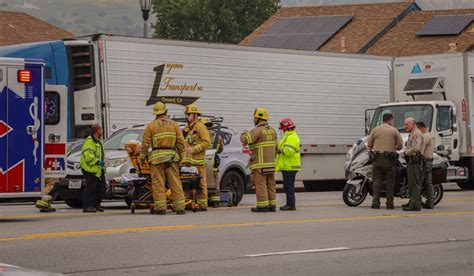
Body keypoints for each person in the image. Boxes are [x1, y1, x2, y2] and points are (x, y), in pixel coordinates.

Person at [140, 102, 187, 215]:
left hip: (156, 159)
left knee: (158, 183)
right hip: (172, 157)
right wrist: (183, 157)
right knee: (175, 182)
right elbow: (181, 143)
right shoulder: (174, 125)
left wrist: (142, 157)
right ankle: (180, 207)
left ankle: (161, 208)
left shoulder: (150, 127)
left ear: (155, 113)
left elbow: (145, 145)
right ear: (166, 112)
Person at [240, 108, 278, 213]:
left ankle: (262, 206)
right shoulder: (273, 131)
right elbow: (277, 147)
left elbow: (246, 140)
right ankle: (272, 205)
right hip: (271, 164)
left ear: (259, 118)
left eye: (254, 117)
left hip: (259, 164)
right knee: (271, 184)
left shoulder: (256, 131)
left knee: (260, 184)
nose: (253, 119)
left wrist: (244, 133)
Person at [367, 113, 403, 209]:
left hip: (377, 158)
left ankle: (375, 203)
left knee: (376, 181)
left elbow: (369, 144)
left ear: (383, 120)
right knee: (390, 182)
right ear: (390, 120)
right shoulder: (394, 130)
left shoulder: (375, 129)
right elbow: (400, 146)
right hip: (389, 159)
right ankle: (389, 204)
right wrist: (393, 146)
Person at [182, 105, 211, 211]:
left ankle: (202, 204)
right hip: (188, 163)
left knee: (200, 183)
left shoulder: (201, 127)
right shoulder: (188, 128)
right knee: (187, 183)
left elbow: (207, 142)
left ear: (194, 115)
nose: (187, 116)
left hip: (197, 162)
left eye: (189, 114)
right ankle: (188, 203)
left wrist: (194, 149)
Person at [276, 118, 301, 211]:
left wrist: (279, 150)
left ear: (286, 128)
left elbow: (288, 151)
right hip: (288, 166)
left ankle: (291, 205)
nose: (282, 130)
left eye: (282, 128)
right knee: (287, 185)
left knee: (289, 186)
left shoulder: (292, 137)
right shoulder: (288, 136)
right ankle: (289, 204)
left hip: (290, 166)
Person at [80, 124, 106, 213]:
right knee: (90, 188)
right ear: (97, 131)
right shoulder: (89, 142)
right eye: (101, 129)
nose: (102, 131)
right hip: (90, 169)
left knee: (102, 188)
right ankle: (87, 206)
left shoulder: (99, 141)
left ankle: (95, 205)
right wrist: (97, 161)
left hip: (98, 169)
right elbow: (88, 156)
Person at [202, 117, 225, 208]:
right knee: (215, 180)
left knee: (202, 180)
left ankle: (203, 200)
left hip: (201, 160)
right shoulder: (217, 136)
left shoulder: (200, 135)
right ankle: (216, 202)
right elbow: (221, 149)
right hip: (213, 160)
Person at [402, 117, 424, 211]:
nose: (405, 126)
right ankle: (413, 201)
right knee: (411, 183)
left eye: (407, 124)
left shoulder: (416, 134)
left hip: (414, 162)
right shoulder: (413, 133)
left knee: (414, 183)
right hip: (411, 161)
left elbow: (416, 148)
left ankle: (415, 205)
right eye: (405, 124)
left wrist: (405, 153)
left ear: (413, 124)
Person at [417, 121, 435, 209]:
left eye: (418, 129)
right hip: (429, 161)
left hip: (424, 162)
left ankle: (417, 202)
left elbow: (421, 150)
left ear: (421, 128)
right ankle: (430, 203)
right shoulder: (430, 135)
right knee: (428, 183)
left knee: (418, 183)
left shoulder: (425, 136)